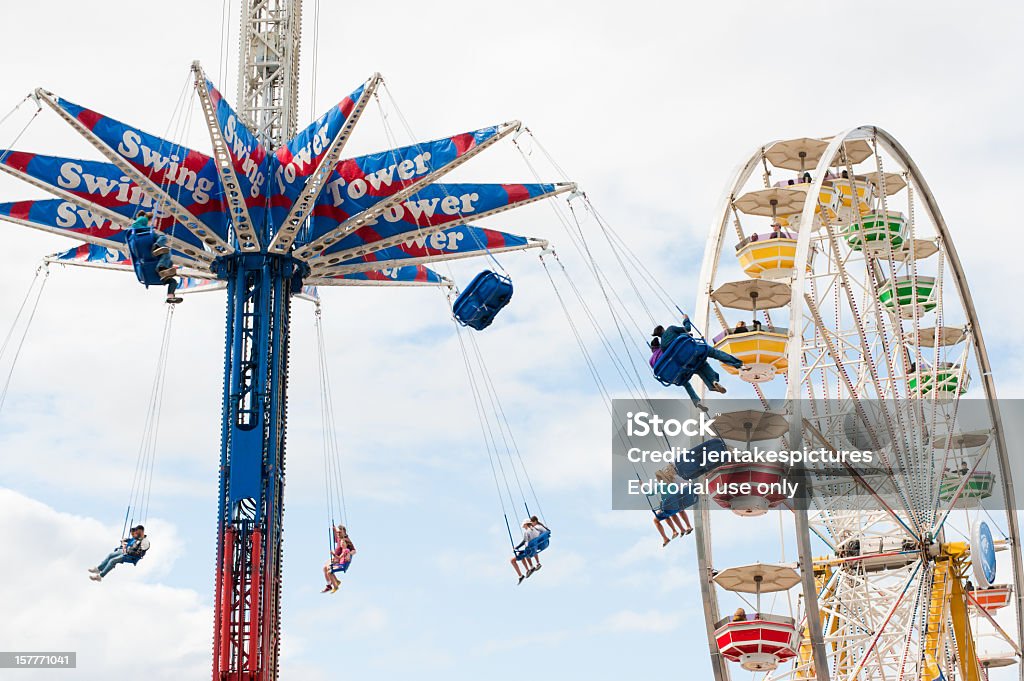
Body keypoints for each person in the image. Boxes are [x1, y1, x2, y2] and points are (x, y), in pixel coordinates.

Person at [652, 315, 739, 405]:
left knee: (698, 367)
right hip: (691, 351)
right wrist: (686, 319)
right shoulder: (671, 329)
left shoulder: (662, 347)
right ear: (663, 329)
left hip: (683, 362)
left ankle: (708, 388)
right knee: (711, 353)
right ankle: (735, 365)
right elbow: (688, 328)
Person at [322, 525, 355, 593]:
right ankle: (330, 584)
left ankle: (335, 584)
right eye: (338, 532)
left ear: (344, 532)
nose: (338, 534)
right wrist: (334, 530)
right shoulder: (339, 538)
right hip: (336, 557)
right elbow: (337, 537)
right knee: (324, 568)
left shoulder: (346, 540)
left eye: (340, 532)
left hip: (339, 559)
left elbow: (354, 550)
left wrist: (349, 554)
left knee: (328, 569)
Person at [511, 519, 541, 584]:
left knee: (512, 560)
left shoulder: (527, 532)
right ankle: (528, 569)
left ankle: (521, 576)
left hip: (530, 551)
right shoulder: (535, 530)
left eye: (524, 526)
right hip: (535, 548)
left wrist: (516, 547)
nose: (523, 527)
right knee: (521, 553)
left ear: (526, 524)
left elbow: (524, 541)